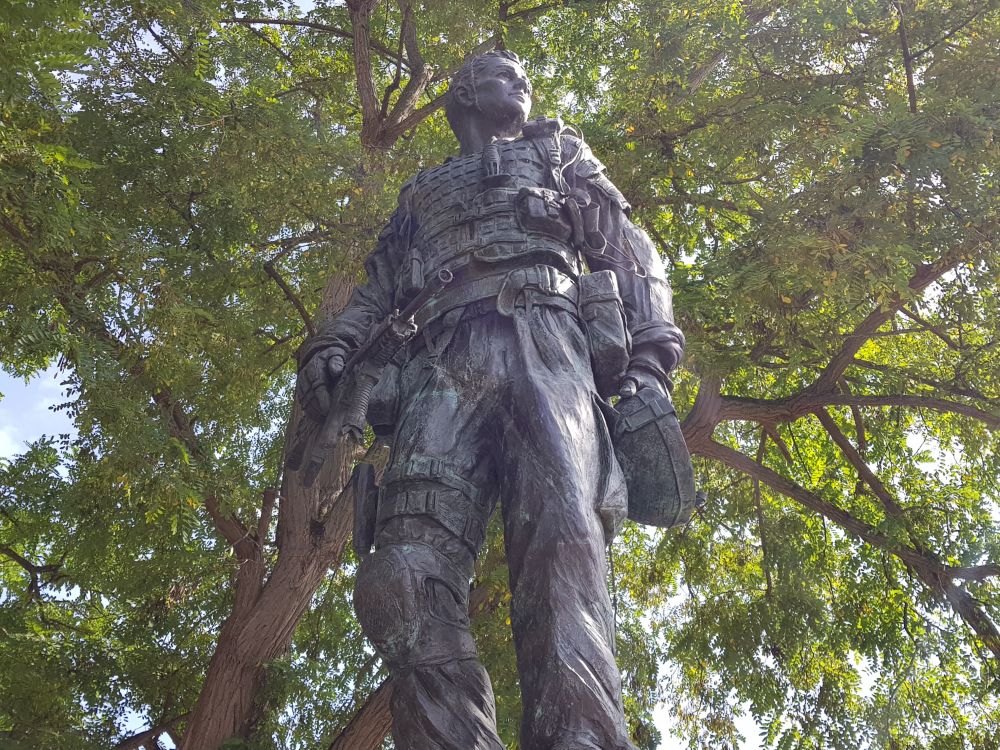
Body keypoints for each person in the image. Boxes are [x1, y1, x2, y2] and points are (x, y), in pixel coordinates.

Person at [295, 50, 684, 750]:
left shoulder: (562, 155)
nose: (526, 84)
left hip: (550, 344)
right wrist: (331, 348)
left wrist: (651, 363)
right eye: (509, 74)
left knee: (565, 554)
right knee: (401, 582)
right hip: (440, 372)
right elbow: (378, 289)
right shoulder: (421, 195)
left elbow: (632, 253)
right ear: (468, 91)